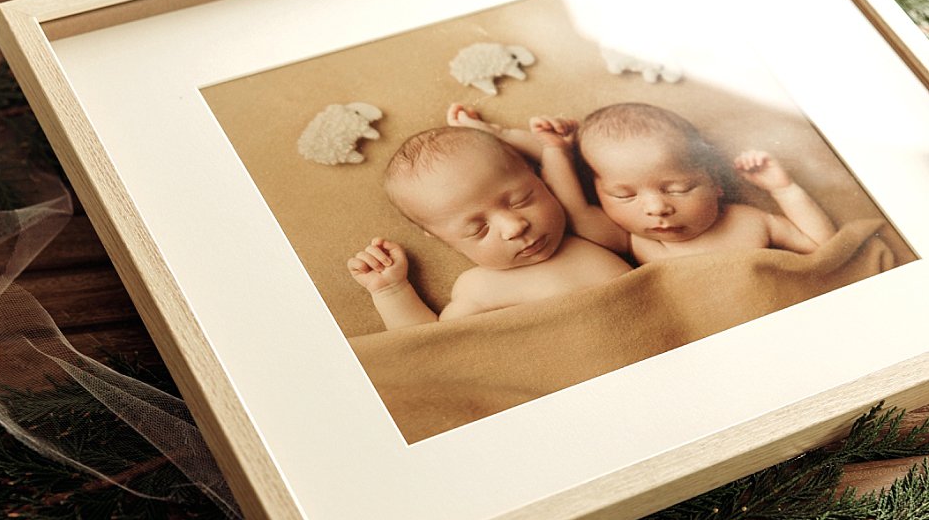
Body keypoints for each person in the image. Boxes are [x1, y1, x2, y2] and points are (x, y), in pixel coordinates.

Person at [450, 102, 837, 265]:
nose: (656, 208)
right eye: (623, 194)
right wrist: (550, 148)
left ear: (716, 181)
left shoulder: (750, 220)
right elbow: (572, 206)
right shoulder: (637, 240)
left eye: (677, 188)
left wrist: (784, 189)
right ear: (600, 193)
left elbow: (826, 249)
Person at [346, 125, 631, 331]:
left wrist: (549, 145)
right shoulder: (479, 288)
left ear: (540, 179)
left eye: (522, 200)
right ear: (443, 239)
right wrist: (391, 291)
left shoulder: (585, 228)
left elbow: (567, 167)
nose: (514, 227)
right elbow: (432, 347)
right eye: (478, 230)